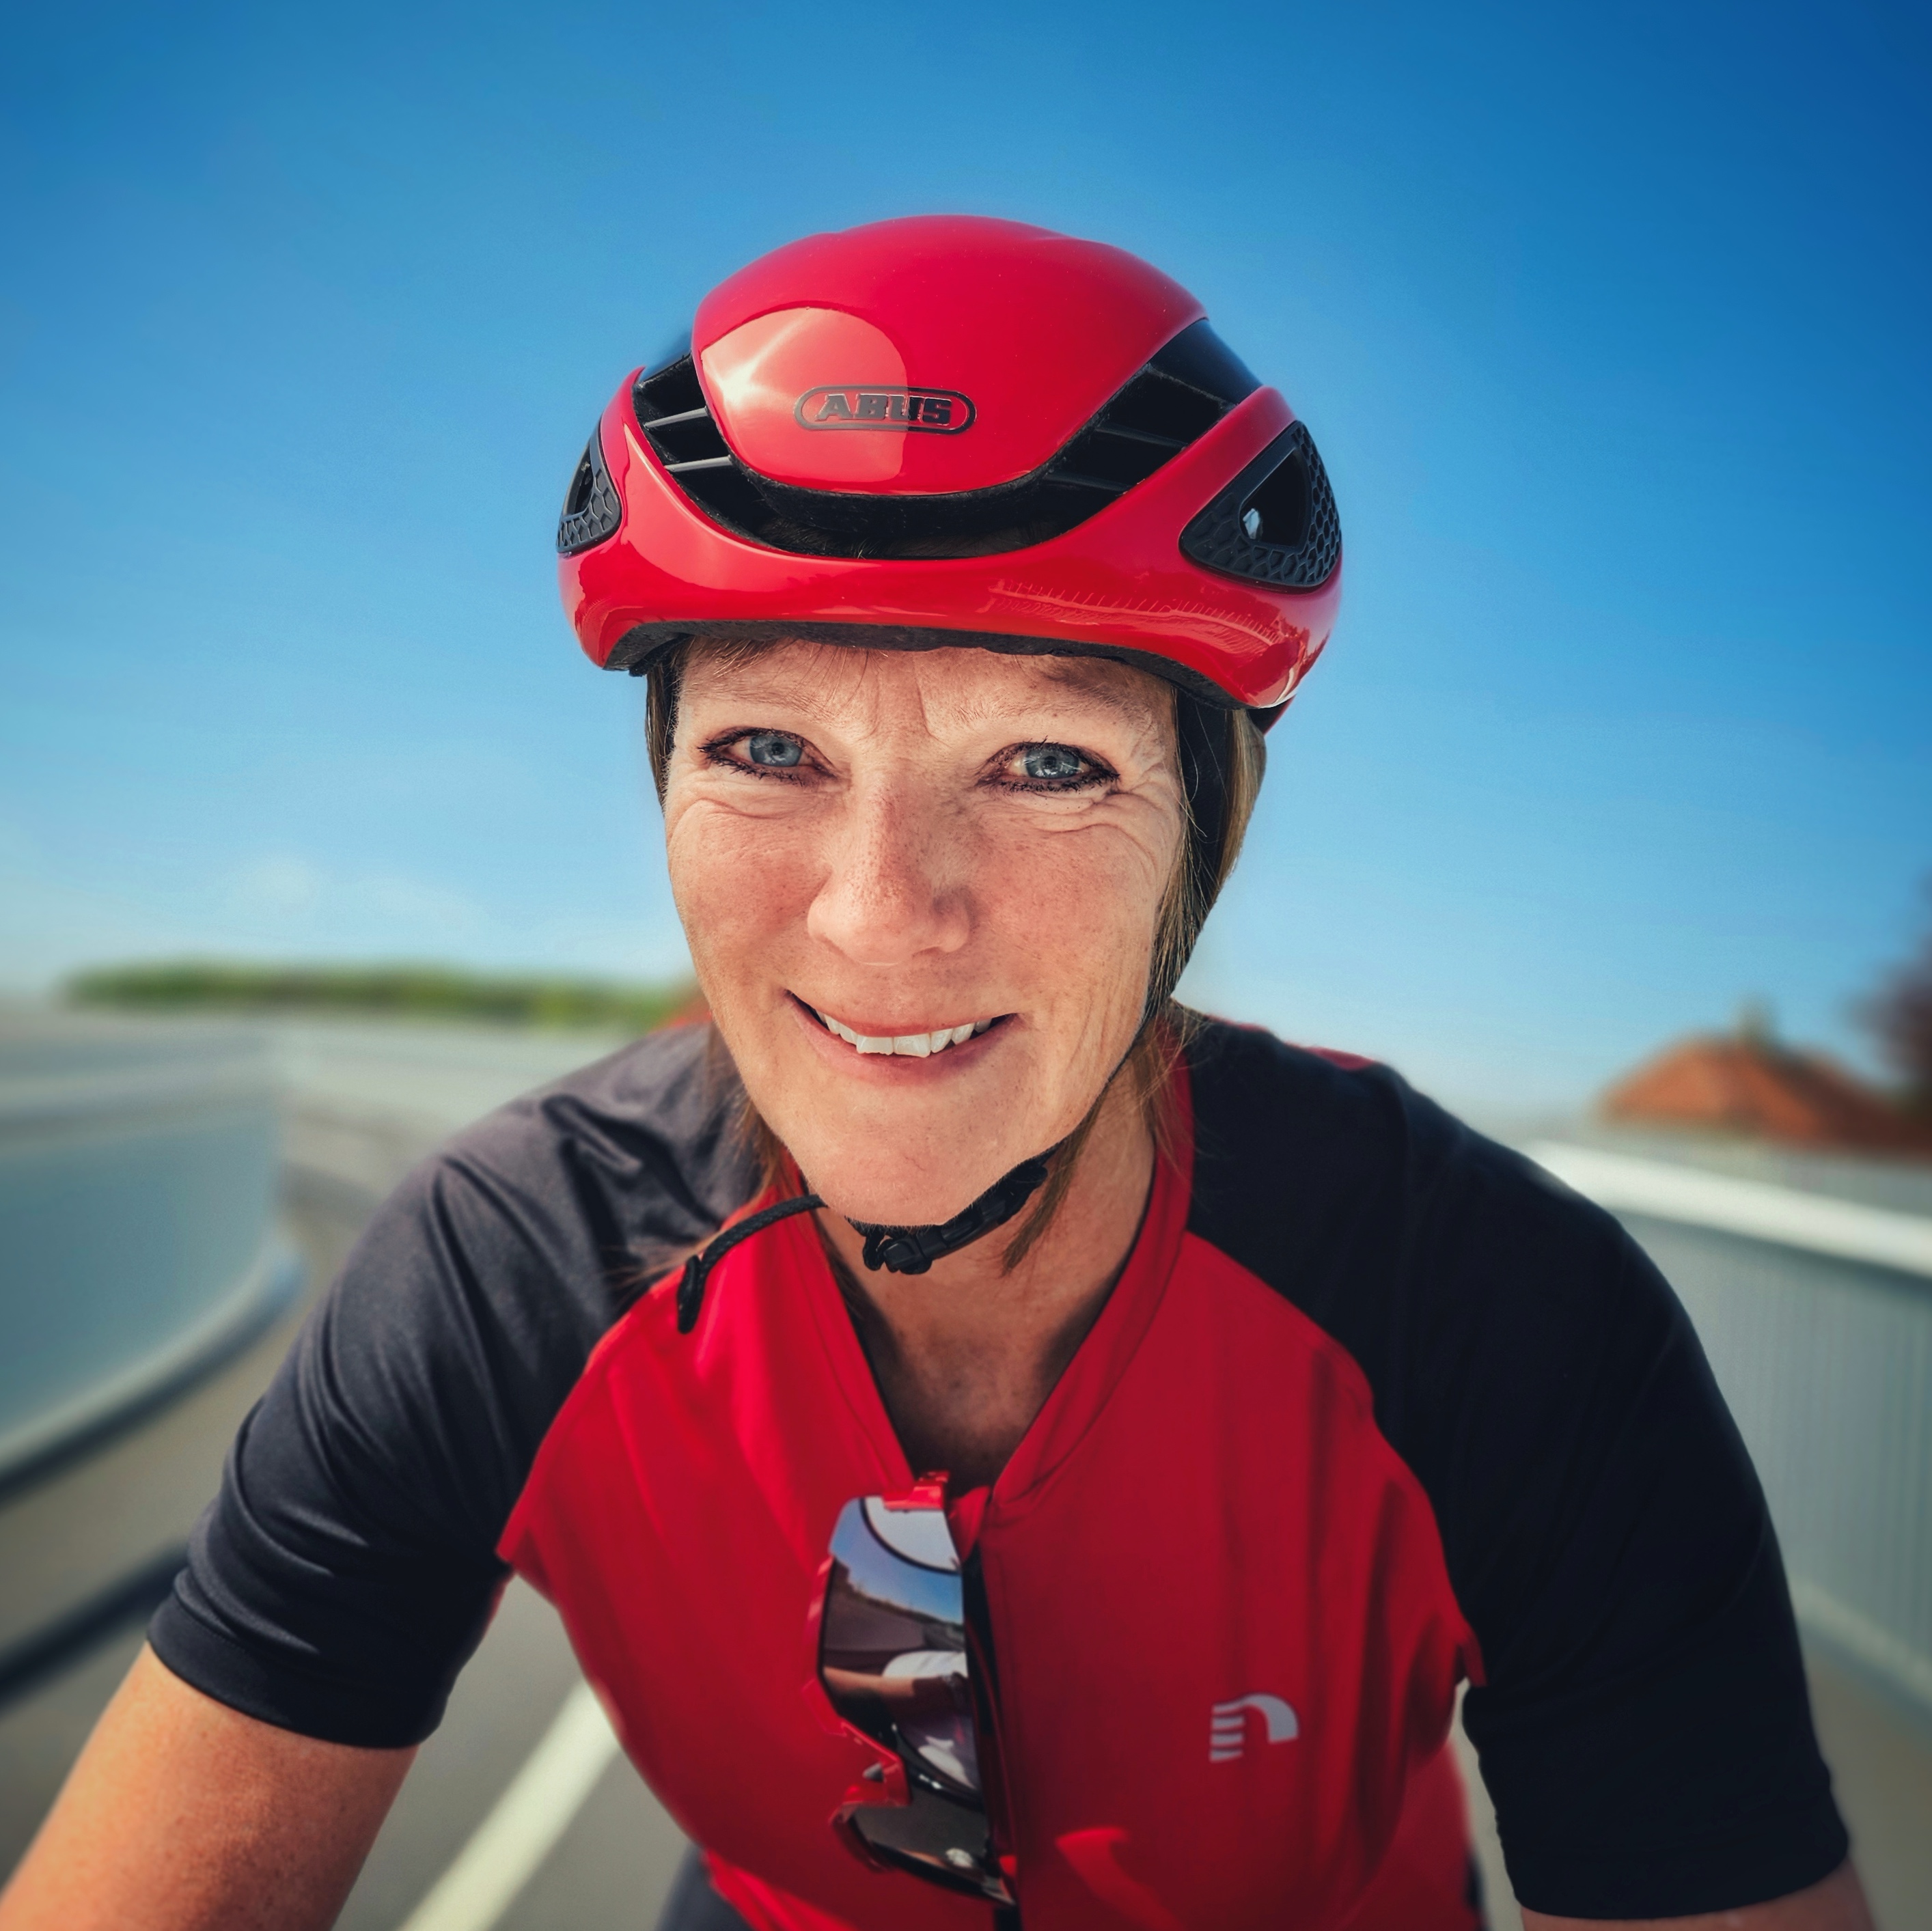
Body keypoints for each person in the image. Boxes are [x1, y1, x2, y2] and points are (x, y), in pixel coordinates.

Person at [0, 217, 1873, 1931]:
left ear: (1200, 849)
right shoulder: (509, 1271)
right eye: (767, 749)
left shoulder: (1497, 1315)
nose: (883, 919)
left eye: (1048, 766)